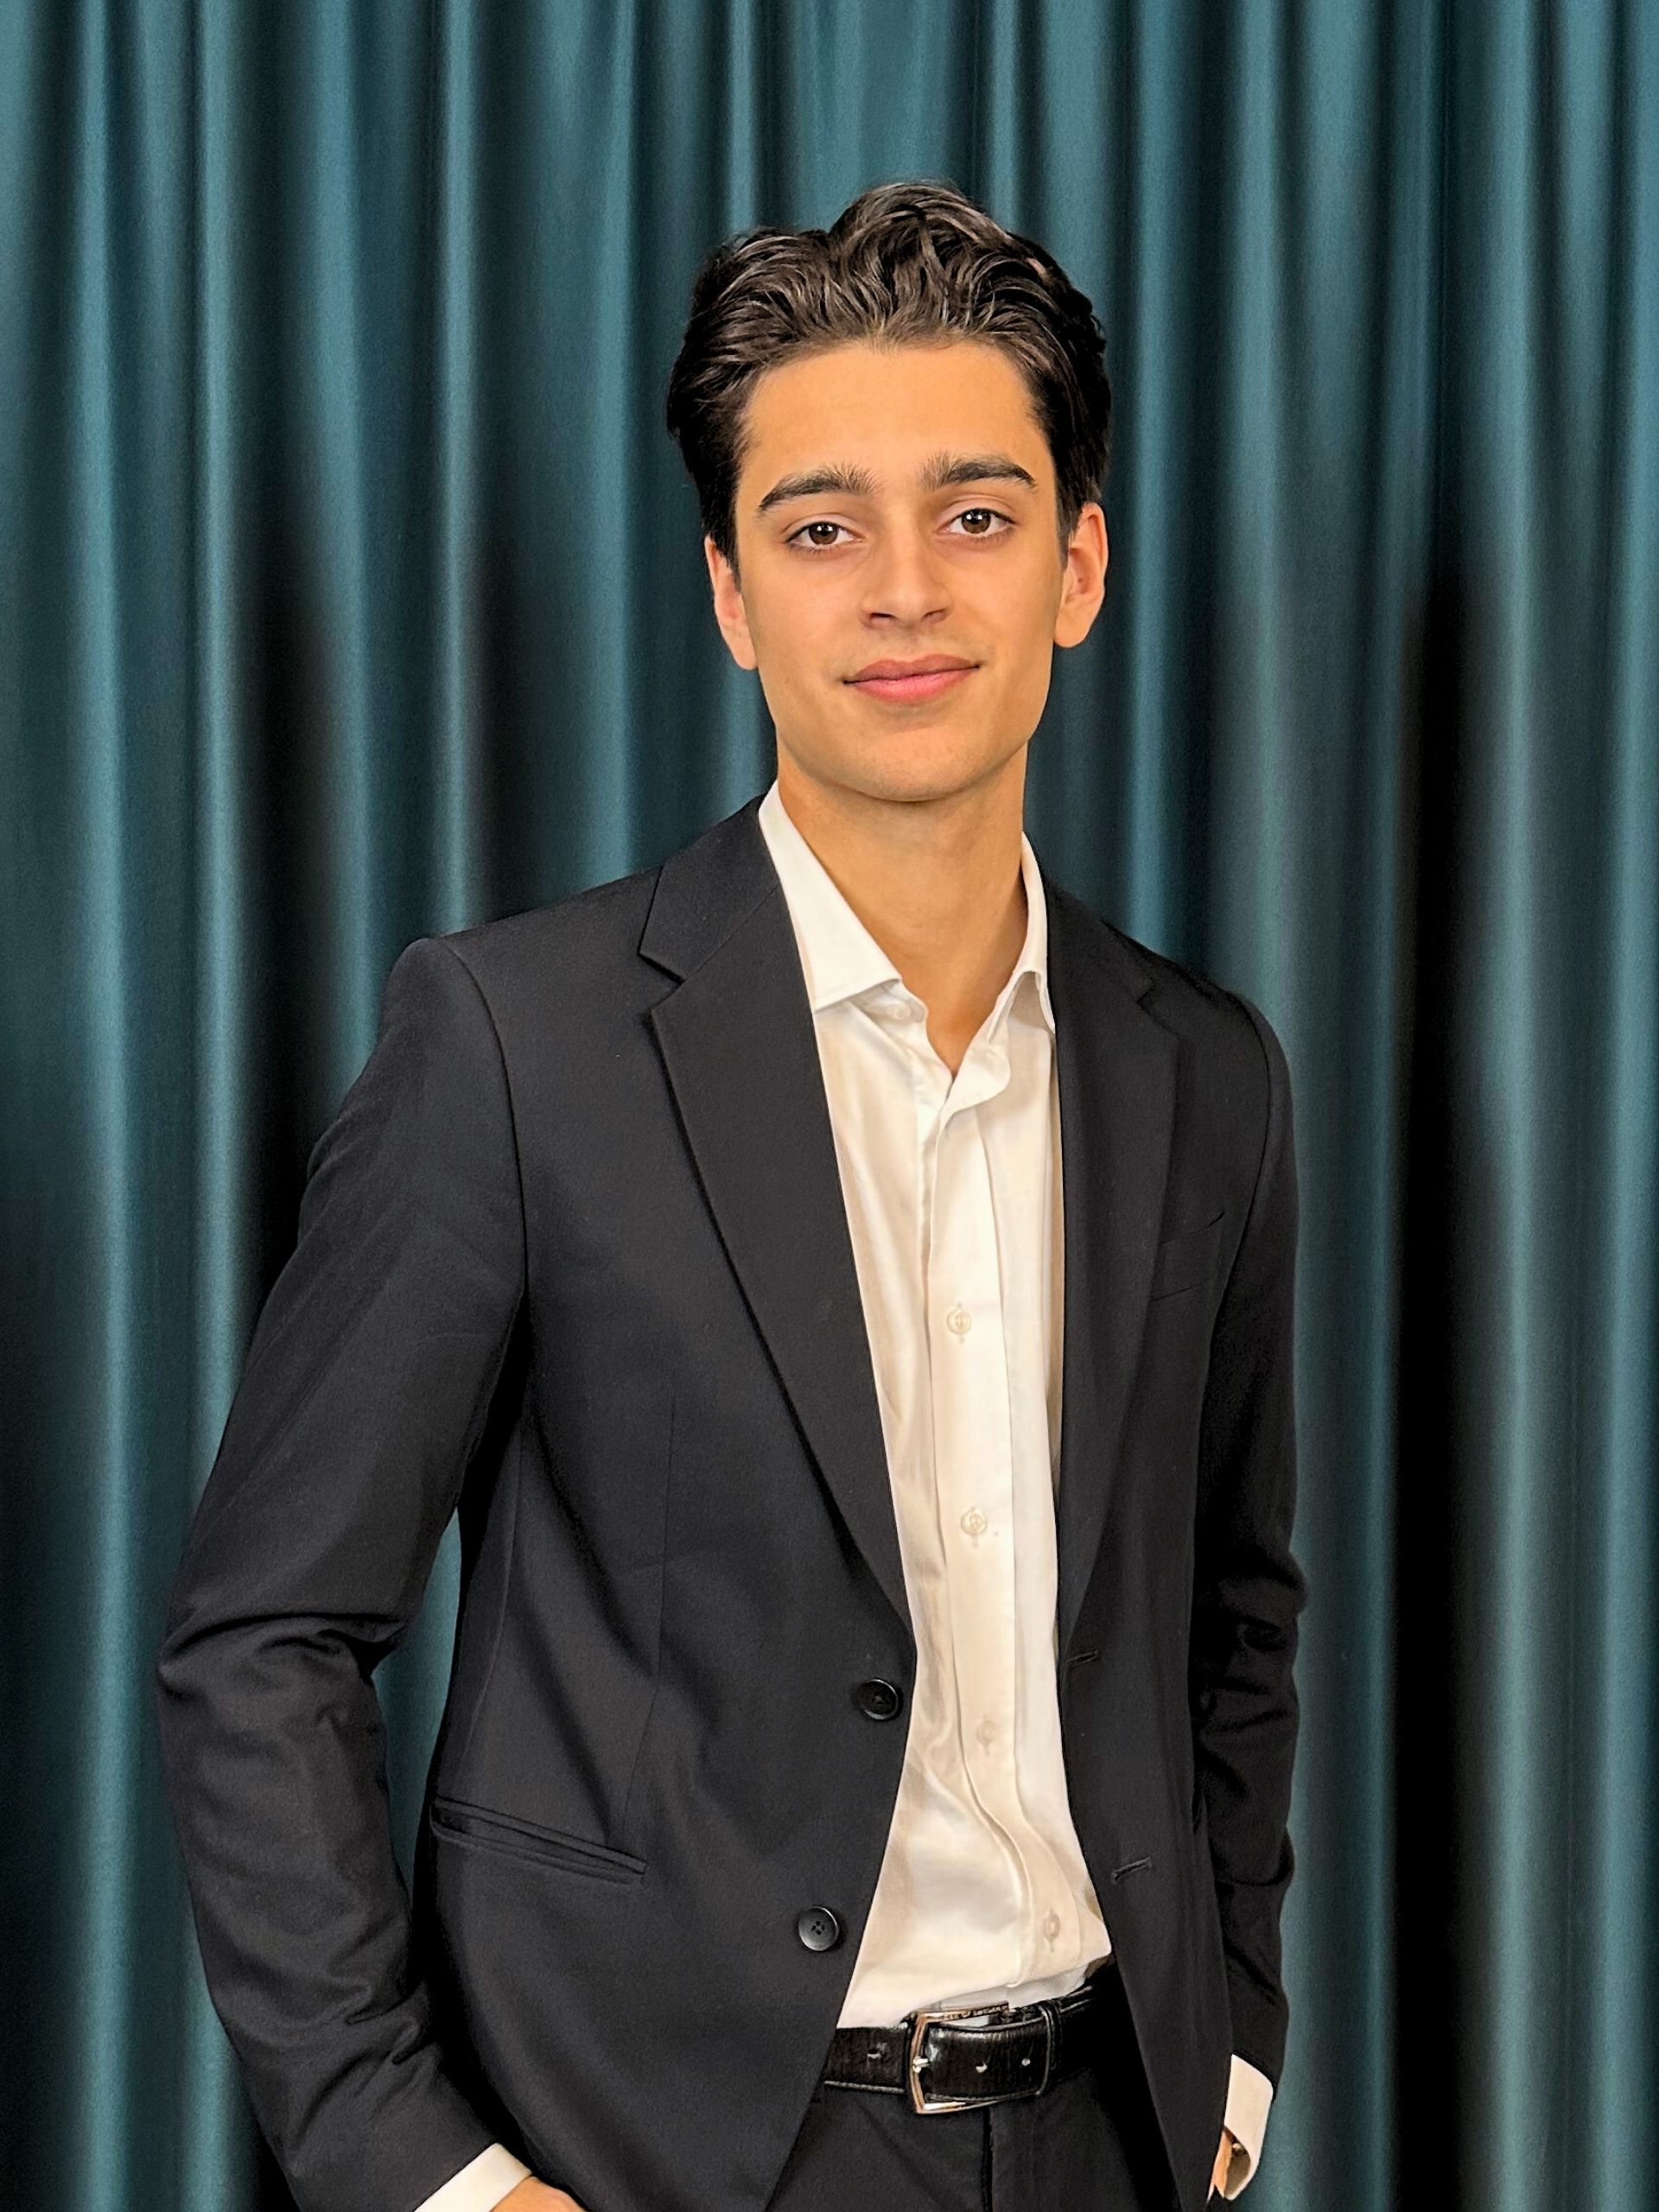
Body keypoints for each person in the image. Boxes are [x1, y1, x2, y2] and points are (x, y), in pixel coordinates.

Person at [156, 178, 1306, 2212]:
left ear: (1079, 565)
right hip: (651, 2150)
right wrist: (421, 2166)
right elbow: (266, 1640)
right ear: (727, 590)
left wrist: (1239, 2054)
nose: (901, 589)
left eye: (974, 513)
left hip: (1109, 2137)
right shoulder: (513, 1040)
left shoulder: (1204, 1075)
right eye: (818, 526)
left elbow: (1236, 1615)